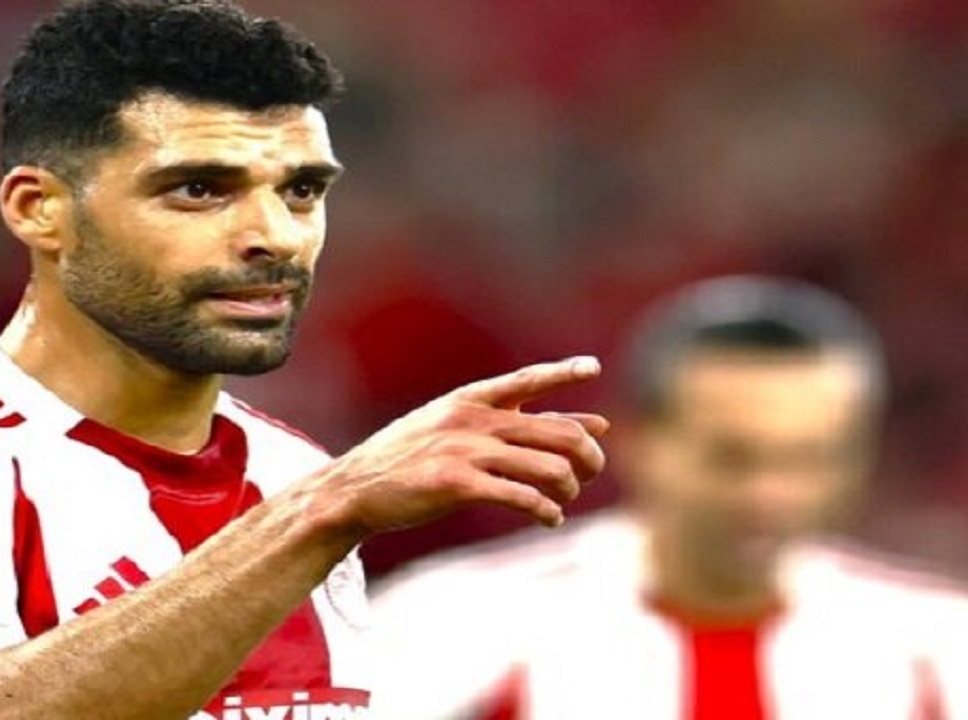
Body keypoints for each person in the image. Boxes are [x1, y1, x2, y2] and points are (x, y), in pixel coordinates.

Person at [0, 2, 610, 718]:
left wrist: (319, 507)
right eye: (199, 189)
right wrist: (323, 514)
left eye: (301, 191)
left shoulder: (292, 472)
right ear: (39, 209)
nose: (274, 236)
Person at [370, 275, 968, 719]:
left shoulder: (938, 645)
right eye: (733, 457)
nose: (771, 494)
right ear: (640, 441)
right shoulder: (456, 623)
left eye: (807, 458)